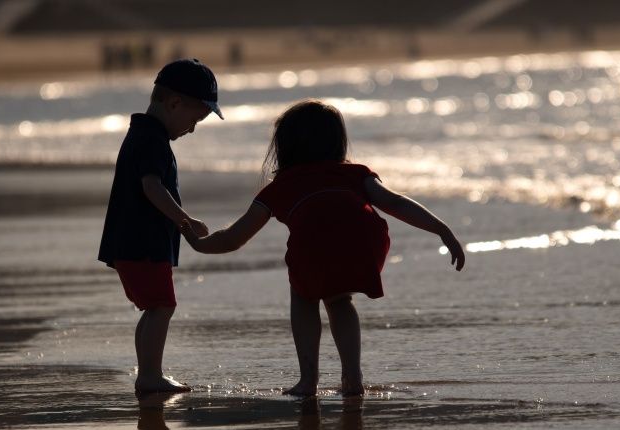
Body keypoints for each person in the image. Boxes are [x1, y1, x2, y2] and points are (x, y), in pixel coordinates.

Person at [181, 99, 464, 397]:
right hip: (364, 242)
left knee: (304, 296)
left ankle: (308, 380)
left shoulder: (280, 188)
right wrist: (441, 229)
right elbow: (394, 202)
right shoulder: (356, 174)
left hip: (315, 246)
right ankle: (352, 378)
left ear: (283, 147)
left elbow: (235, 237)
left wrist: (198, 244)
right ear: (337, 142)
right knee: (340, 300)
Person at [98, 58, 224, 394]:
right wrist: (186, 221)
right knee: (162, 307)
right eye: (195, 119)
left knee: (154, 308)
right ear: (174, 103)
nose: (193, 128)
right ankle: (150, 376)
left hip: (131, 243)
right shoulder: (152, 141)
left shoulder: (141, 134)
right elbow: (152, 187)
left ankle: (148, 373)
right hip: (143, 244)